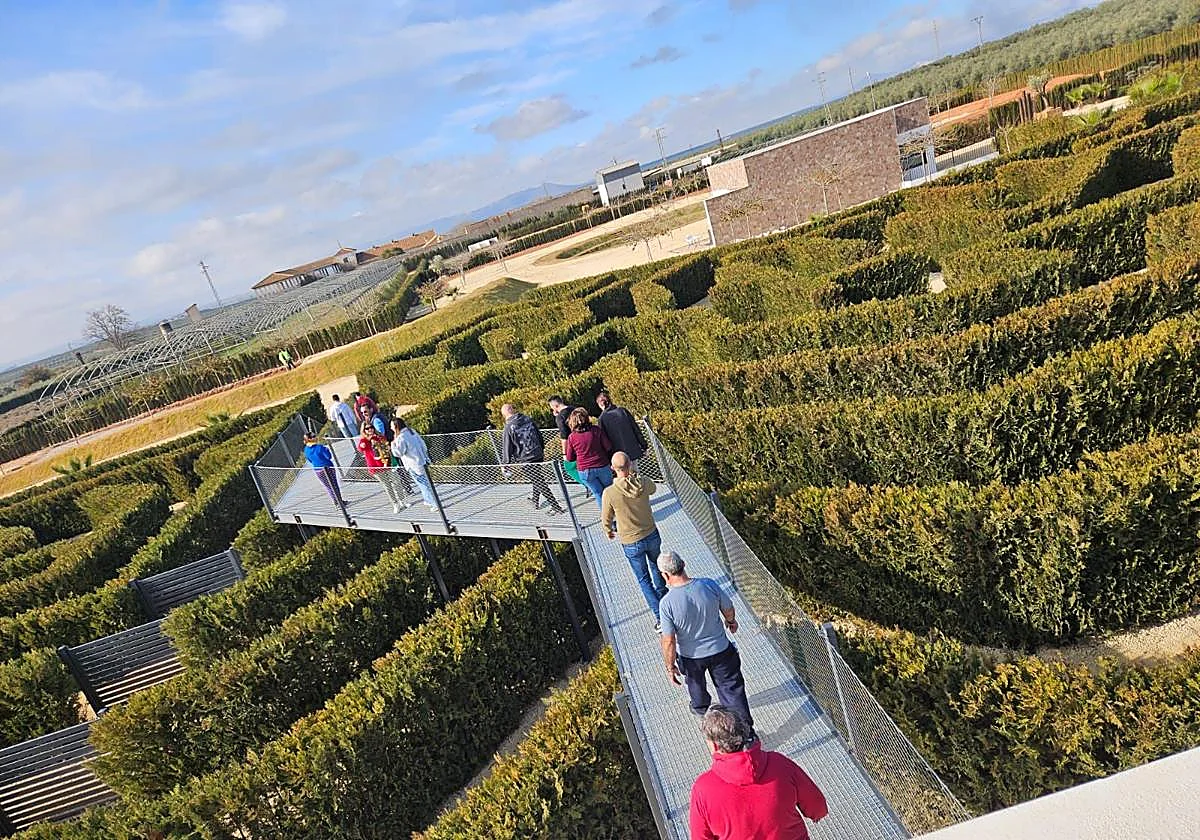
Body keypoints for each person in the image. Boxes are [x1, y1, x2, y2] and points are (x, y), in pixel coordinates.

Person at [690, 705, 828, 840]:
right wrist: (816, 814)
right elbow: (817, 805)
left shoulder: (703, 789)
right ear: (744, 733)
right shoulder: (780, 763)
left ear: (714, 745)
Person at [658, 551, 754, 730]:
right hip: (721, 650)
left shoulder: (666, 604)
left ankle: (703, 712)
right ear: (683, 564)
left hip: (691, 658)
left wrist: (670, 667)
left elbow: (669, 640)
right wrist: (731, 621)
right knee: (731, 689)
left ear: (665, 575)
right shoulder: (708, 584)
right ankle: (746, 732)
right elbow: (728, 607)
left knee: (696, 688)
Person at [602, 451, 667, 628]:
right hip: (651, 533)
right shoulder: (643, 483)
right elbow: (653, 488)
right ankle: (666, 599)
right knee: (657, 568)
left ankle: (661, 618)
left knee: (644, 580)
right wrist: (637, 476)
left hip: (631, 541)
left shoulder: (610, 493)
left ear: (612, 468)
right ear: (630, 464)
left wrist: (608, 531)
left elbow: (606, 518)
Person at [500, 403, 563, 514]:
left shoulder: (508, 427)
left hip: (526, 458)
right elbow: (539, 434)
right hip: (537, 453)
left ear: (504, 415)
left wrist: (505, 464)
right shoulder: (527, 419)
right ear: (513, 410)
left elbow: (507, 447)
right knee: (536, 477)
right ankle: (535, 500)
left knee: (539, 481)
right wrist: (541, 448)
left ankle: (556, 507)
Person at [564, 407, 613, 511]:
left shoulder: (572, 437)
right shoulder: (596, 430)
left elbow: (570, 458)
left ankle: (607, 518)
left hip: (585, 470)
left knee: (598, 493)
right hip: (602, 465)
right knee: (610, 490)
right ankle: (619, 513)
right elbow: (608, 447)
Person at [357, 424, 407, 513]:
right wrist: (364, 444)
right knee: (387, 486)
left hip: (387, 464)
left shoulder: (380, 437)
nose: (370, 429)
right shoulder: (364, 440)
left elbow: (387, 446)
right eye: (367, 428)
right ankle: (395, 504)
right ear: (363, 430)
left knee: (397, 481)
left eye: (371, 427)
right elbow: (360, 448)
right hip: (376, 467)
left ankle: (402, 501)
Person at [391, 418, 438, 511]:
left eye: (391, 425)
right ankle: (427, 500)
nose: (390, 427)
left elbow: (398, 453)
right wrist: (425, 456)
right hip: (422, 460)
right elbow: (423, 444)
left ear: (396, 426)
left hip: (412, 464)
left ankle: (434, 504)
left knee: (423, 484)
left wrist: (393, 445)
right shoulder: (411, 431)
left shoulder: (401, 437)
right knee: (425, 482)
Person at [548, 394, 588, 496]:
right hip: (585, 439)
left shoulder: (560, 418)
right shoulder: (574, 409)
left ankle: (587, 483)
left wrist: (564, 454)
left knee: (569, 467)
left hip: (573, 445)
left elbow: (564, 437)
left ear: (555, 406)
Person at [596, 390, 647, 462]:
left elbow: (604, 440)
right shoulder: (623, 411)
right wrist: (644, 446)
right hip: (632, 451)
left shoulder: (602, 419)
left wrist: (608, 457)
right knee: (634, 468)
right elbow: (635, 429)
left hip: (617, 456)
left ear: (600, 405)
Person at [303, 433, 347, 508]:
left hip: (318, 470)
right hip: (328, 468)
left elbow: (310, 460)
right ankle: (340, 502)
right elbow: (328, 457)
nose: (316, 437)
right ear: (309, 439)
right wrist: (327, 450)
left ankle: (336, 503)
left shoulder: (306, 449)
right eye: (313, 436)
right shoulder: (320, 447)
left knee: (328, 487)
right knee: (334, 485)